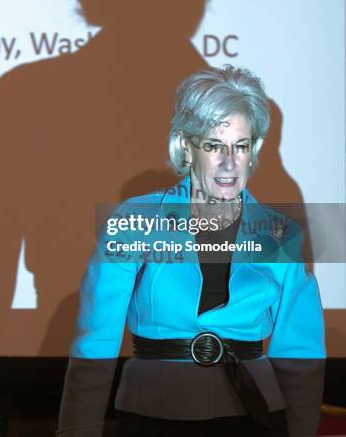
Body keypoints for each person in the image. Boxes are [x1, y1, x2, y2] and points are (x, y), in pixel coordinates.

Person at [57, 65, 326, 437]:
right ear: (185, 145)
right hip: (153, 415)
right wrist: (77, 430)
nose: (230, 163)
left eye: (241, 146)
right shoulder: (134, 220)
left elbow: (300, 356)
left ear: (255, 149)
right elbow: (95, 343)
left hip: (256, 418)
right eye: (214, 146)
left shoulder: (281, 235)